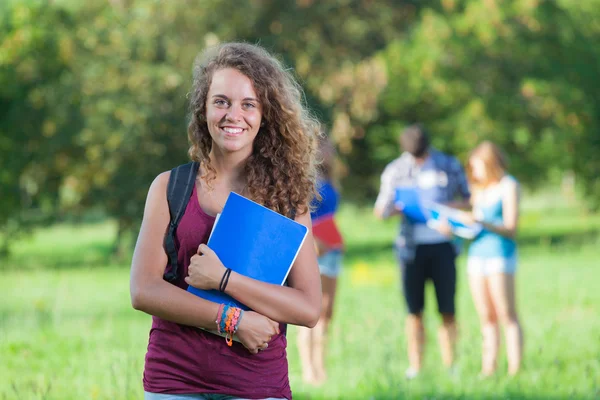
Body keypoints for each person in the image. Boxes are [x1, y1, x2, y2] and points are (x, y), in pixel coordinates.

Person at [129, 42, 323, 400]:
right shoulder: (170, 187)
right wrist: (231, 320)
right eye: (221, 101)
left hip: (256, 384)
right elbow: (143, 290)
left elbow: (309, 308)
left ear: (266, 114)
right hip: (174, 380)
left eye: (248, 104)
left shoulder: (287, 199)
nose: (234, 114)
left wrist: (224, 279)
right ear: (203, 109)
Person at [373, 123, 470, 379]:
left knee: (447, 309)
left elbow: (469, 199)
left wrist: (444, 208)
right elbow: (380, 210)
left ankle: (452, 366)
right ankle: (415, 367)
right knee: (414, 311)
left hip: (443, 246)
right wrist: (396, 208)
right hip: (410, 250)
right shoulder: (395, 170)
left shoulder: (448, 165)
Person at [463, 141, 523, 376]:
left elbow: (511, 227)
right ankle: (488, 368)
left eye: (478, 167)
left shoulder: (508, 186)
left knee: (506, 313)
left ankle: (515, 370)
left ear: (491, 164)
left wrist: (482, 222)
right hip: (477, 256)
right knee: (486, 316)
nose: (475, 172)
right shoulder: (478, 190)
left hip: (500, 256)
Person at [297, 137, 344, 386]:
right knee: (309, 311)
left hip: (333, 250)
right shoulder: (306, 180)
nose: (329, 151)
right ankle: (308, 369)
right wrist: (314, 242)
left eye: (330, 147)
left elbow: (330, 216)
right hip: (313, 251)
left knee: (327, 312)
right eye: (325, 146)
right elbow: (298, 216)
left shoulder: (331, 179)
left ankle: (321, 366)